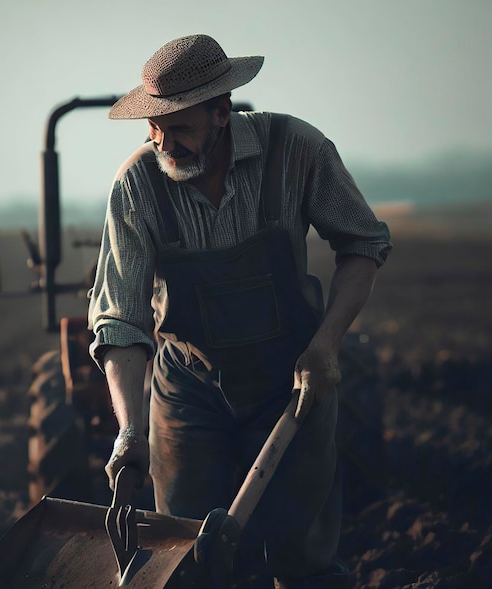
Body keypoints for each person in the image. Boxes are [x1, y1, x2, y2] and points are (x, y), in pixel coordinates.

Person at [88, 34, 392, 588]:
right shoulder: (136, 186)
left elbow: (363, 245)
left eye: (179, 126)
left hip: (291, 382)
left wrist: (325, 346)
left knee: (301, 556)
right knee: (181, 555)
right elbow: (121, 321)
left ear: (221, 111)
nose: (163, 141)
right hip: (188, 392)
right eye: (153, 126)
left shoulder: (294, 151)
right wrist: (130, 431)